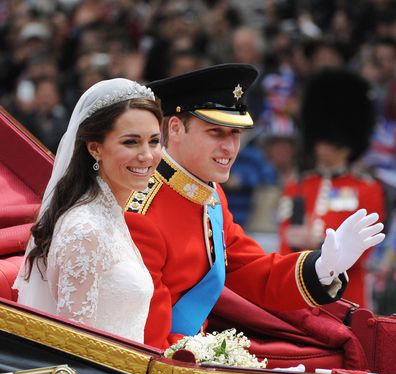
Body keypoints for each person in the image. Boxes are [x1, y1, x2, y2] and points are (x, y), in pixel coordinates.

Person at [124, 63, 385, 350]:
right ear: (175, 128)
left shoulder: (211, 195)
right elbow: (148, 340)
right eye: (216, 132)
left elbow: (252, 270)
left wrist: (321, 266)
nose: (230, 147)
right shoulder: (142, 209)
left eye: (235, 134)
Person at [13, 78, 163, 343]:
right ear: (95, 148)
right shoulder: (85, 228)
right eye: (130, 142)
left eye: (154, 141)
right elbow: (76, 349)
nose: (147, 155)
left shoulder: (108, 214)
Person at [278, 68, 386, 308]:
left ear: (347, 145)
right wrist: (294, 240)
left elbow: (366, 249)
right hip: (301, 288)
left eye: (331, 141)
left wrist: (320, 240)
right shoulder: (298, 185)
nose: (323, 147)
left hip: (348, 294)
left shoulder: (366, 188)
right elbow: (285, 240)